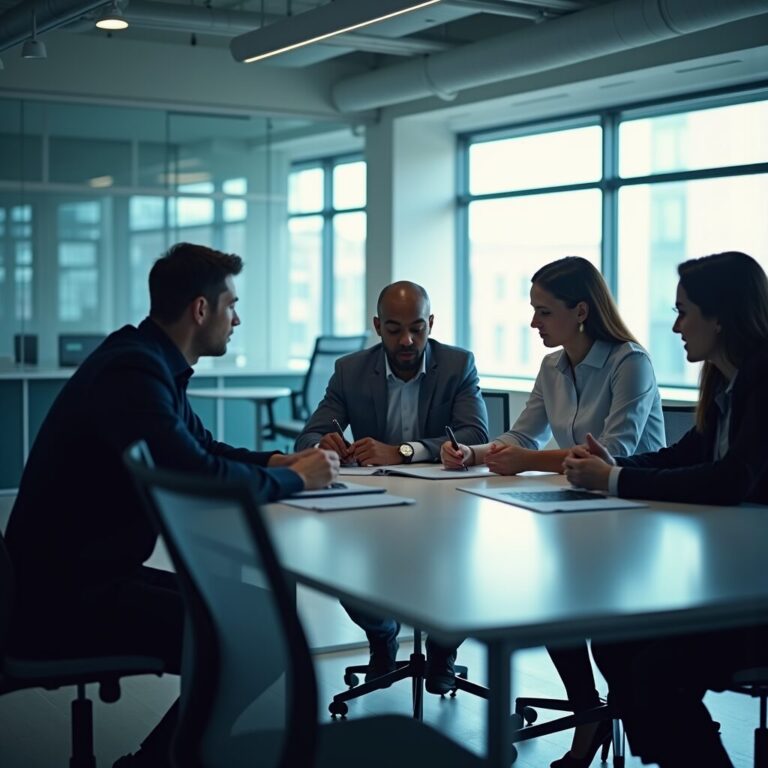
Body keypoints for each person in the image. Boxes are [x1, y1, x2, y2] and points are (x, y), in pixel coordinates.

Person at [4, 243, 339, 768]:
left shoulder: (144, 358)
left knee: (259, 617)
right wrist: (297, 481)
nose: (238, 318)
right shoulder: (132, 372)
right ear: (200, 310)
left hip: (85, 577)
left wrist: (278, 460)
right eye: (231, 305)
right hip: (63, 599)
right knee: (261, 637)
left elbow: (202, 448)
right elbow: (196, 476)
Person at [441, 256, 666, 768]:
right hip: (578, 511)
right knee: (551, 601)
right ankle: (588, 713)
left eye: (543, 312)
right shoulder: (552, 366)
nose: (533, 322)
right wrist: (474, 454)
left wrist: (525, 461)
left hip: (637, 513)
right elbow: (523, 434)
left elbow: (614, 451)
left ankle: (628, 714)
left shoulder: (630, 362)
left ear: (580, 311)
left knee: (589, 614)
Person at [563, 251, 768, 768]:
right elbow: (689, 453)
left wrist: (613, 479)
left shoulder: (765, 379)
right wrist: (617, 463)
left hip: (756, 598)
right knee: (613, 640)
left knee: (656, 670)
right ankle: (677, 748)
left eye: (684, 311)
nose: (675, 325)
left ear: (720, 316)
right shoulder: (725, 379)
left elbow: (730, 479)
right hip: (737, 575)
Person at [295, 280, 489, 693]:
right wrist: (324, 443)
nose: (407, 340)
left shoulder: (458, 364)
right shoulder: (350, 370)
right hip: (374, 506)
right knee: (342, 569)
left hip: (445, 504)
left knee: (466, 572)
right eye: (395, 329)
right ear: (377, 325)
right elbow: (307, 437)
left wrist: (401, 451)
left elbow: (474, 434)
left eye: (418, 328)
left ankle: (442, 649)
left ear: (431, 323)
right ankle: (382, 636)